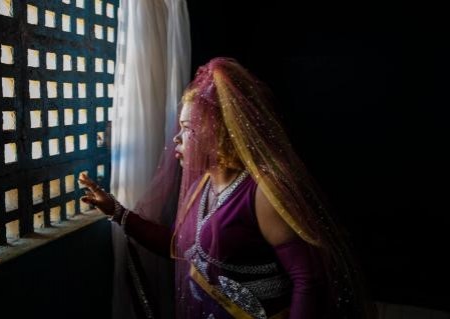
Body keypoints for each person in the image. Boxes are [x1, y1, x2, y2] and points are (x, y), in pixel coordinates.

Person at [79, 57, 376, 318]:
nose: (177, 140)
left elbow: (309, 278)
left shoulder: (262, 192)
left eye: (188, 128)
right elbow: (181, 250)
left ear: (217, 130)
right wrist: (116, 211)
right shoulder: (203, 185)